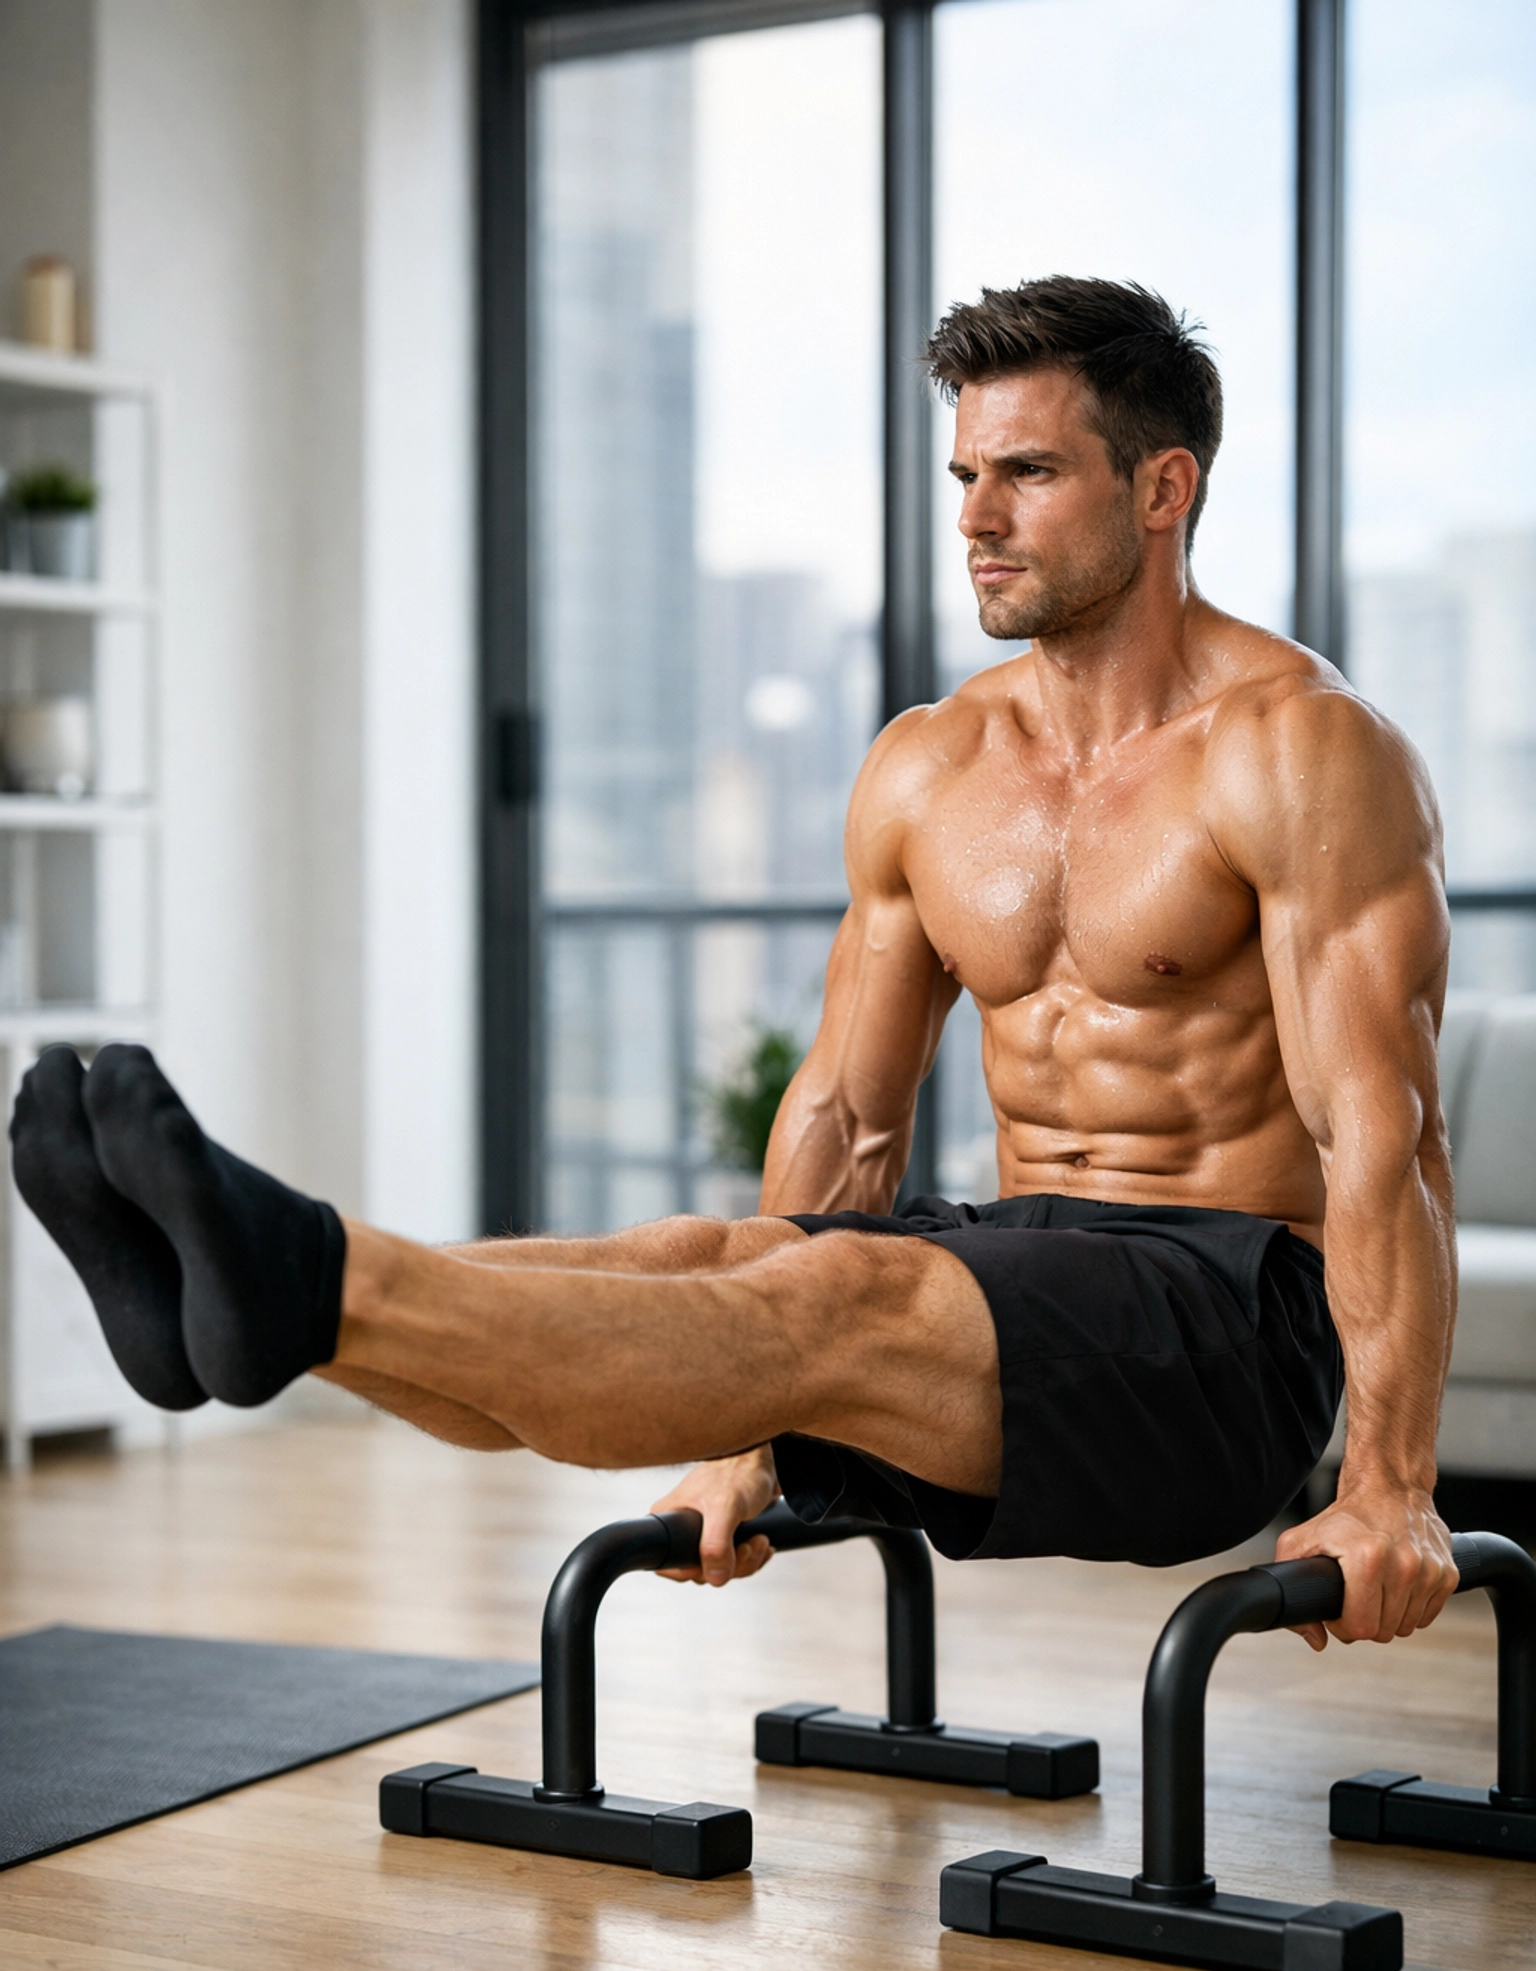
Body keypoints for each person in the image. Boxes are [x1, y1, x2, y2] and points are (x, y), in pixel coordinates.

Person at [10, 276, 1457, 1651]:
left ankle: (300, 1275)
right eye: (965, 475)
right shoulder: (933, 763)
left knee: (836, 1302)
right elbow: (847, 1113)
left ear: (1161, 489)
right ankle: (260, 1303)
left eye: (1027, 472)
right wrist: (737, 1432)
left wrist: (1389, 1486)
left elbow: (1381, 1136)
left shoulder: (1299, 749)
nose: (976, 516)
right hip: (1027, 1268)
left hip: (1229, 1329)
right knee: (711, 1260)